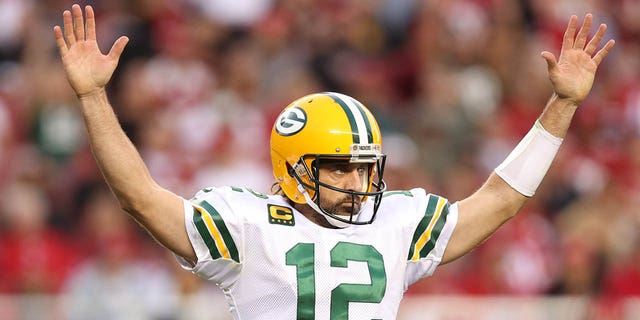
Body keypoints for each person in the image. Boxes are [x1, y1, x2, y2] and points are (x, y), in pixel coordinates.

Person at [53, 4, 615, 319]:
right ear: (294, 169)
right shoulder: (247, 223)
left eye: (365, 168)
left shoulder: (397, 220)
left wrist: (562, 104)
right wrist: (94, 98)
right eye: (340, 168)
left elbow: (501, 198)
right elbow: (139, 196)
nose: (358, 182)